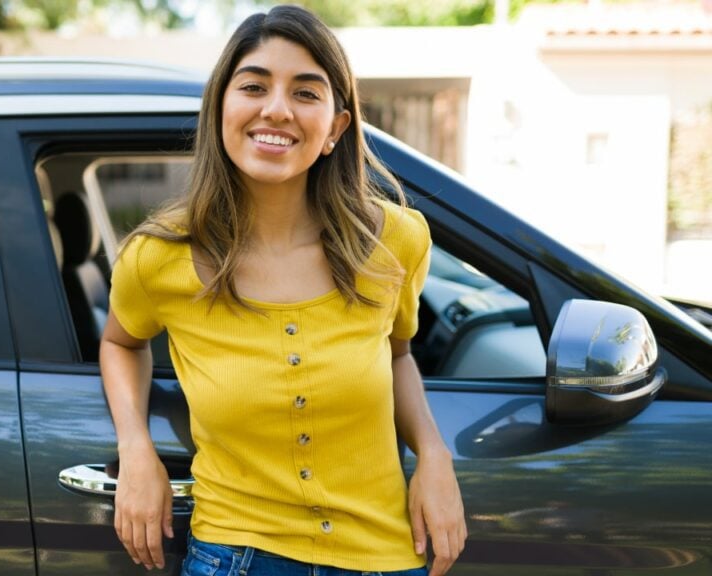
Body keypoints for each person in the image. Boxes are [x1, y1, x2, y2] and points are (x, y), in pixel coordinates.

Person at [100, 5, 466, 576]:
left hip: (388, 555)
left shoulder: (396, 240)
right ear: (221, 107)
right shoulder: (157, 257)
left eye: (306, 92)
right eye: (253, 86)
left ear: (336, 129)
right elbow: (121, 343)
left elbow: (396, 354)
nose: (276, 109)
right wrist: (136, 447)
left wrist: (434, 456)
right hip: (235, 556)